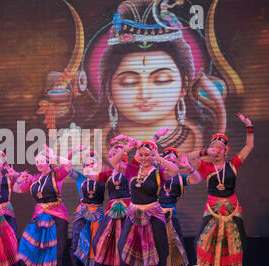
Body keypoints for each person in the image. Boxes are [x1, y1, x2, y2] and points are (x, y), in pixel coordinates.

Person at [98, 0, 229, 155]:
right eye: (129, 82)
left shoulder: (207, 140)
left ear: (184, 86)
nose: (145, 94)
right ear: (109, 91)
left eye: (162, 80)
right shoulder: (88, 145)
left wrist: (220, 111)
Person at [187, 113, 253, 266]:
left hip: (232, 209)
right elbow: (188, 158)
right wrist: (204, 152)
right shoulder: (205, 166)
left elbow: (249, 146)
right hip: (212, 209)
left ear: (226, 151)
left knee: (238, 243)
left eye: (219, 148)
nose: (216, 150)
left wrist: (249, 127)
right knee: (199, 241)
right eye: (213, 147)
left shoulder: (233, 165)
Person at [111, 139, 179, 266]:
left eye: (147, 155)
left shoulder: (158, 172)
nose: (143, 157)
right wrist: (126, 149)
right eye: (140, 154)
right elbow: (113, 162)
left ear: (153, 155)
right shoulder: (132, 170)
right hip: (134, 211)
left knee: (160, 245)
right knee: (123, 244)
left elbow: (174, 170)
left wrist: (159, 158)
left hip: (153, 211)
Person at [13, 146, 72, 266]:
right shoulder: (35, 179)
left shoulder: (56, 174)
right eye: (36, 162)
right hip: (39, 217)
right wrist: (19, 179)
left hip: (57, 216)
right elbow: (16, 189)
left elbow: (68, 165)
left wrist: (55, 157)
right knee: (26, 245)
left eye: (41, 161)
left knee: (55, 250)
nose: (38, 164)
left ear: (49, 162)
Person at [158, 147, 201, 266]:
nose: (170, 157)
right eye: (167, 156)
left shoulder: (180, 178)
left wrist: (188, 167)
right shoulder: (155, 175)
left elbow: (197, 179)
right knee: (155, 246)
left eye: (173, 156)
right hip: (155, 214)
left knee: (178, 245)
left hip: (172, 215)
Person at [69, 151, 107, 266]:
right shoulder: (80, 177)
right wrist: (72, 151)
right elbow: (66, 167)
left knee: (99, 243)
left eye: (92, 162)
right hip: (82, 212)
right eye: (86, 163)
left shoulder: (103, 177)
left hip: (98, 211)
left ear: (97, 164)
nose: (89, 165)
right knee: (76, 242)